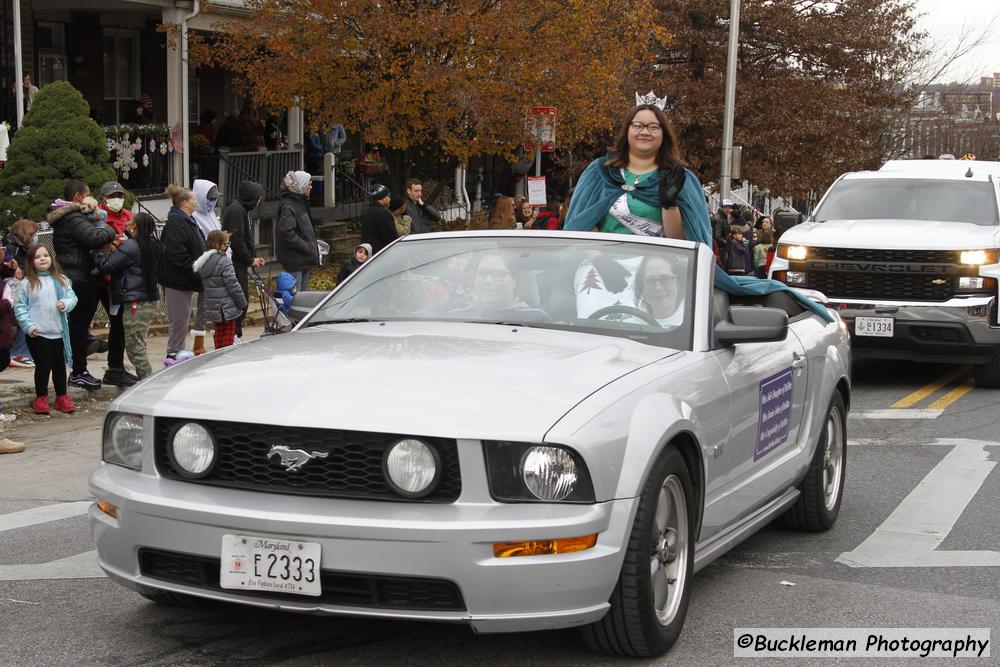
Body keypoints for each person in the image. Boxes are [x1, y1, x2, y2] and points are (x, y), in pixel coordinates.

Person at [563, 102, 832, 321]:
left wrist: (668, 204)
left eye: (653, 127)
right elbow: (581, 223)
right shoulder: (600, 171)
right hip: (601, 261)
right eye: (638, 125)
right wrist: (600, 259)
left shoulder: (680, 177)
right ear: (627, 131)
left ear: (663, 134)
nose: (645, 132)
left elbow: (682, 242)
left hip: (656, 266)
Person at [47, 180, 122, 390]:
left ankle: (79, 369)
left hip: (78, 273)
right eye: (89, 194)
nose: (94, 199)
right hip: (79, 276)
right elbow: (94, 237)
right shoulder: (72, 217)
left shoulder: (68, 216)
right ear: (79, 197)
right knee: (79, 327)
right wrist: (110, 230)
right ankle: (79, 371)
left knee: (79, 326)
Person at [92, 213, 161, 379]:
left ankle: (147, 381)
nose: (127, 223)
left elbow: (107, 265)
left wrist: (97, 252)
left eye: (130, 221)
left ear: (134, 227)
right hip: (149, 299)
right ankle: (146, 378)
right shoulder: (154, 244)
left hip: (136, 301)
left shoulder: (131, 246)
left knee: (134, 348)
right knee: (139, 342)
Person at [13, 245, 77, 415]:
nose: (43, 259)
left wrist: (65, 303)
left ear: (51, 258)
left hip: (58, 331)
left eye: (46, 255)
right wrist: (28, 326)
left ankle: (61, 396)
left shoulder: (61, 280)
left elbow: (72, 297)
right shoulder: (26, 284)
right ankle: (41, 397)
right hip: (38, 332)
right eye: (38, 256)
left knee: (59, 366)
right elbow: (20, 307)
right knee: (43, 366)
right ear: (30, 262)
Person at [159, 184, 204, 365]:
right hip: (177, 280)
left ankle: (178, 350)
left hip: (185, 279)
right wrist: (197, 268)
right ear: (185, 203)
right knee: (179, 319)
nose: (195, 202)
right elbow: (177, 255)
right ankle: (173, 354)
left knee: (184, 317)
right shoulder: (176, 224)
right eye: (193, 199)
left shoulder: (187, 221)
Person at [445, 251, 549, 323]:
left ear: (514, 280)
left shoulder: (536, 318)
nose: (488, 281)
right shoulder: (455, 313)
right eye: (482, 274)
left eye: (497, 275)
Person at [221, 180, 266, 338]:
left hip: (240, 262)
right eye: (258, 198)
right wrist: (249, 259)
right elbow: (237, 239)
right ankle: (234, 334)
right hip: (234, 263)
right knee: (239, 300)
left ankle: (236, 332)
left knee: (242, 299)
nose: (259, 201)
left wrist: (252, 257)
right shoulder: (236, 211)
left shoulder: (243, 210)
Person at [194, 231, 247, 350]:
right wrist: (242, 302)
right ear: (219, 245)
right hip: (227, 306)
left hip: (213, 306)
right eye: (225, 244)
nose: (227, 247)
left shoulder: (204, 262)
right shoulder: (225, 261)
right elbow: (233, 284)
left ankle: (218, 355)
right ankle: (225, 358)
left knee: (218, 332)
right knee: (228, 334)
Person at [275, 170, 319, 290]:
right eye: (309, 184)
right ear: (302, 184)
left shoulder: (300, 202)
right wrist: (306, 246)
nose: (311, 187)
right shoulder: (288, 204)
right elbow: (286, 232)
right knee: (295, 299)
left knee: (302, 297)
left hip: (304, 259)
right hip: (295, 260)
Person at [4, 218, 38, 367]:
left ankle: (22, 352)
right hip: (13, 286)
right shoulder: (12, 247)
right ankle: (19, 353)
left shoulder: (18, 246)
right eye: (33, 233)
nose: (35, 236)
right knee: (23, 313)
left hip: (16, 285)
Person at [634, 255, 684, 328]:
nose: (658, 288)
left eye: (665, 279)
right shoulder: (630, 322)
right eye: (651, 280)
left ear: (678, 283)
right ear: (642, 286)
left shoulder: (694, 323)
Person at [360, 184, 398, 254]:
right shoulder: (383, 213)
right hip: (381, 255)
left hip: (370, 255)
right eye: (388, 195)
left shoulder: (369, 211)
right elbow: (391, 239)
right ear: (383, 197)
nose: (390, 199)